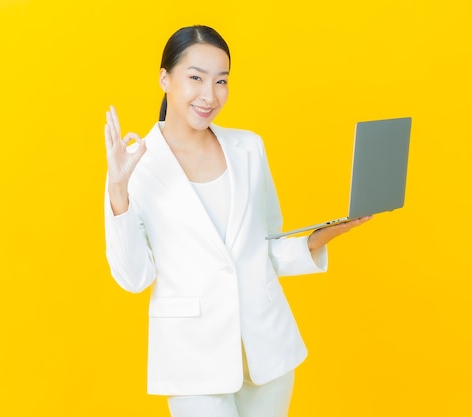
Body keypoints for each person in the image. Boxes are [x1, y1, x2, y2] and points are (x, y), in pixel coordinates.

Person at [104, 25, 371, 417]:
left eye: (221, 81)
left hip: (267, 349)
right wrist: (118, 191)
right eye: (195, 77)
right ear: (165, 78)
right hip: (193, 358)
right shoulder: (133, 166)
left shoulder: (249, 147)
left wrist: (320, 237)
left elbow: (265, 245)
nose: (209, 95)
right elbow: (133, 277)